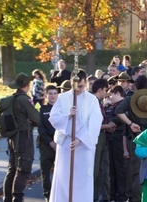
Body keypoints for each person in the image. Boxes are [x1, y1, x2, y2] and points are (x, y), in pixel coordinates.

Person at [49, 70, 103, 202]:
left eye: (82, 86)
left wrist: (81, 139)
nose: (80, 89)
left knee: (82, 179)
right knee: (64, 179)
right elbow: (54, 117)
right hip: (67, 145)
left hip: (84, 146)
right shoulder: (62, 98)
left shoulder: (92, 100)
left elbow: (95, 121)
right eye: (77, 86)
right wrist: (67, 115)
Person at [114, 75, 147, 202]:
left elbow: (118, 111)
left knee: (135, 170)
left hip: (136, 139)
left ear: (135, 86)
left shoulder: (130, 99)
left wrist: (130, 123)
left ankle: (134, 197)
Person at [3, 72, 41, 202]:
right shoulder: (24, 99)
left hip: (13, 138)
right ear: (27, 85)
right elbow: (37, 118)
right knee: (23, 169)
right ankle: (17, 198)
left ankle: (7, 198)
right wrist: (31, 120)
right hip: (23, 138)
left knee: (12, 169)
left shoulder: (13, 98)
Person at [92, 79, 117, 202]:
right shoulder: (92, 102)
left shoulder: (99, 102)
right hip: (96, 139)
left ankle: (102, 197)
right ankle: (93, 197)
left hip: (103, 138)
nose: (106, 93)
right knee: (95, 170)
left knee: (103, 170)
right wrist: (107, 126)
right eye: (105, 90)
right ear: (100, 90)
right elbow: (91, 124)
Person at [106, 86, 128, 202]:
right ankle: (113, 193)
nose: (109, 97)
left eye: (111, 95)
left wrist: (110, 123)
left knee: (120, 166)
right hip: (111, 138)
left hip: (120, 137)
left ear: (118, 93)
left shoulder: (123, 105)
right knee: (112, 167)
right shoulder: (112, 106)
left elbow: (117, 120)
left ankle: (122, 193)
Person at [38, 84, 59, 201]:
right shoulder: (42, 110)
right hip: (46, 144)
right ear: (46, 95)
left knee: (60, 170)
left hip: (60, 144)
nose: (52, 96)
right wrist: (50, 142)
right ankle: (47, 194)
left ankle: (59, 193)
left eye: (55, 93)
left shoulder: (61, 109)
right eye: (50, 94)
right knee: (45, 170)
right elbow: (41, 128)